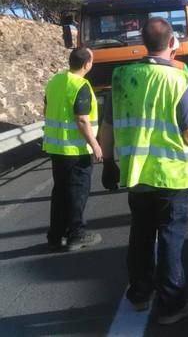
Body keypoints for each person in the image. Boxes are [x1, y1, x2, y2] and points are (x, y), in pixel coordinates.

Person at [99, 17, 188, 325]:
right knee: (171, 240)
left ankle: (138, 295)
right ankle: (171, 305)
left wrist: (108, 162)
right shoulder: (177, 80)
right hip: (172, 177)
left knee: (141, 236)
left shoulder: (120, 78)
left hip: (136, 176)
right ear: (173, 43)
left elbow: (106, 127)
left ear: (143, 43)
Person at [43, 47, 103, 252]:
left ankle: (55, 235)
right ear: (86, 64)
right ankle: (76, 234)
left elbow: (47, 108)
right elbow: (81, 119)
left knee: (60, 191)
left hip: (56, 148)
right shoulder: (81, 86)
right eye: (92, 60)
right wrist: (95, 144)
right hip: (76, 150)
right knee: (77, 192)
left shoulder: (55, 82)